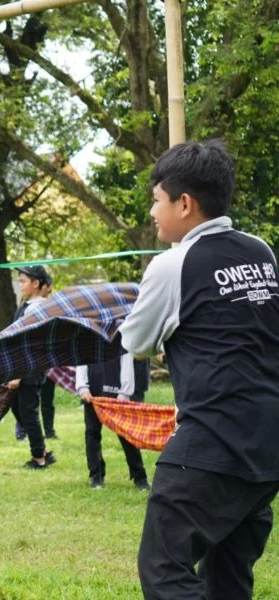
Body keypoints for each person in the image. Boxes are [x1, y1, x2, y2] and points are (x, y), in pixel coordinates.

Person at [119, 140, 279, 600]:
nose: (152, 211)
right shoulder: (261, 250)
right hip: (267, 442)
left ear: (184, 203)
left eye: (156, 199)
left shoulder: (173, 264)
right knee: (228, 576)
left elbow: (137, 342)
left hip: (213, 439)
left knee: (163, 566)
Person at [76, 354, 150, 490]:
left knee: (126, 435)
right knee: (92, 434)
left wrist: (124, 394)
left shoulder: (121, 339)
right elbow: (81, 362)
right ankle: (96, 475)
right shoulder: (88, 336)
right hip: (92, 395)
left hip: (118, 396)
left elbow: (128, 366)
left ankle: (140, 477)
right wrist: (82, 388)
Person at [7, 265, 56, 469]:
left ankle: (39, 458)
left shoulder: (38, 308)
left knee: (28, 411)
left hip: (29, 367)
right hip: (23, 367)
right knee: (18, 408)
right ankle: (41, 449)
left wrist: (18, 374)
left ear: (36, 284)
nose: (21, 285)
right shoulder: (27, 306)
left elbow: (27, 343)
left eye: (23, 281)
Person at [39, 278, 57, 440]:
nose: (50, 290)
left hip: (49, 363)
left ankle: (49, 431)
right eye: (48, 287)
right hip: (35, 362)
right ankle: (23, 431)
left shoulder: (53, 307)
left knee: (47, 399)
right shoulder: (32, 306)